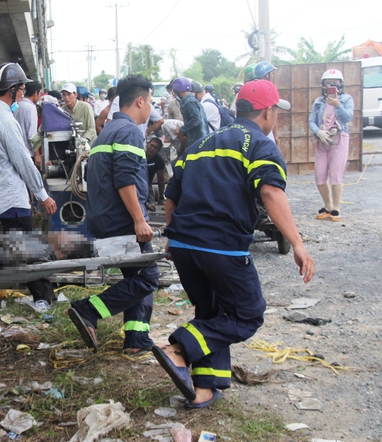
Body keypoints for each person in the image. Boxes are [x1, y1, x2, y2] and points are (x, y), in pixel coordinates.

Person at [154, 80, 314, 409]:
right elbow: (270, 192)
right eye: (276, 113)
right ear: (268, 111)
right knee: (247, 314)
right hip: (220, 246)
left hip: (184, 245)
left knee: (212, 313)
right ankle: (179, 348)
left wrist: (173, 237)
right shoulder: (258, 144)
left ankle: (204, 388)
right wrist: (297, 243)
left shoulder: (199, 144)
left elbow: (171, 195)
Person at [67, 74, 159, 356]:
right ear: (140, 100)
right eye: (151, 102)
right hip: (123, 221)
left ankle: (136, 338)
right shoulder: (129, 132)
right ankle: (88, 310)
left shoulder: (106, 132)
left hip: (104, 219)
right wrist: (139, 220)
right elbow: (125, 179)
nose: (151, 109)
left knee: (138, 276)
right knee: (147, 278)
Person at [0, 62, 57, 319]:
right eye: (22, 89)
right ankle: (44, 298)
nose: (23, 94)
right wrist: (42, 194)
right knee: (25, 251)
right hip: (12, 197)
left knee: (13, 251)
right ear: (15, 90)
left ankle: (43, 296)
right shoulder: (5, 120)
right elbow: (23, 160)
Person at [310, 69, 354, 222]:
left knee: (335, 175)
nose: (331, 85)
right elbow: (311, 121)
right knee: (320, 175)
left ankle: (336, 207)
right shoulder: (318, 101)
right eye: (328, 82)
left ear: (340, 84)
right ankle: (327, 205)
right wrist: (318, 132)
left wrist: (337, 105)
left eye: (335, 83)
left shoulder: (346, 99)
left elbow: (348, 117)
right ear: (323, 84)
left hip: (339, 137)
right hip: (322, 139)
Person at [172, 77, 209, 148]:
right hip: (197, 138)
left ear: (177, 90)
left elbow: (196, 120)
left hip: (197, 139)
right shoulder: (190, 100)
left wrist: (181, 129)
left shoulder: (189, 102)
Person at [14, 81, 42, 160]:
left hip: (17, 151)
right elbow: (32, 135)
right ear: (35, 93)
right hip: (28, 153)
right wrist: (37, 155)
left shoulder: (17, 105)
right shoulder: (31, 108)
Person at [145, 137, 166, 210]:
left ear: (158, 151)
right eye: (151, 145)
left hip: (147, 184)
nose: (152, 149)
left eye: (155, 148)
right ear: (147, 144)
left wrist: (161, 197)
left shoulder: (159, 160)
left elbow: (161, 179)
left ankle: (150, 203)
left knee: (151, 204)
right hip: (135, 181)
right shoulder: (139, 154)